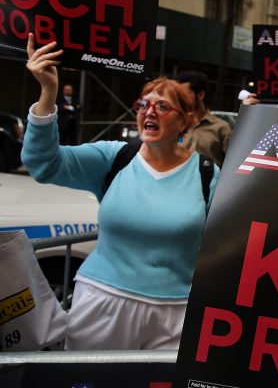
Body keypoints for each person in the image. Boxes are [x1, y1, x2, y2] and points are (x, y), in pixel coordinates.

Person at [21, 33, 219, 350]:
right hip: (102, 304)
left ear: (185, 122)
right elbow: (42, 162)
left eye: (162, 106)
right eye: (143, 104)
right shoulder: (114, 157)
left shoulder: (207, 174)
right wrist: (48, 93)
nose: (149, 111)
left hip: (176, 314)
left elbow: (237, 234)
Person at [175, 71, 232, 167]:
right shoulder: (175, 125)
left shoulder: (221, 128)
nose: (181, 100)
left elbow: (233, 165)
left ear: (200, 95)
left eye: (184, 96)